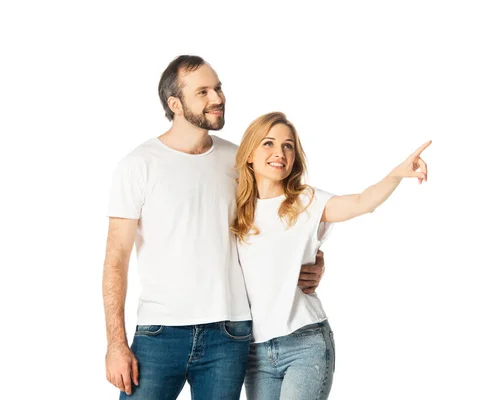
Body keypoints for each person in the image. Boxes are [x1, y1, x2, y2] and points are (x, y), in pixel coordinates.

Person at [102, 56, 325, 399]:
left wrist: (313, 258)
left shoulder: (240, 161)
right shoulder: (138, 165)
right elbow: (116, 257)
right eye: (203, 91)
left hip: (230, 334)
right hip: (160, 333)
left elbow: (281, 214)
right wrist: (116, 343)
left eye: (218, 88)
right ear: (174, 104)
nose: (218, 98)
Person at [232, 112, 431, 400]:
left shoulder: (306, 202)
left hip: (305, 343)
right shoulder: (235, 209)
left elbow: (363, 202)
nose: (280, 153)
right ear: (249, 154)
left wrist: (397, 173)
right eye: (268, 143)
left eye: (288, 146)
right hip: (255, 353)